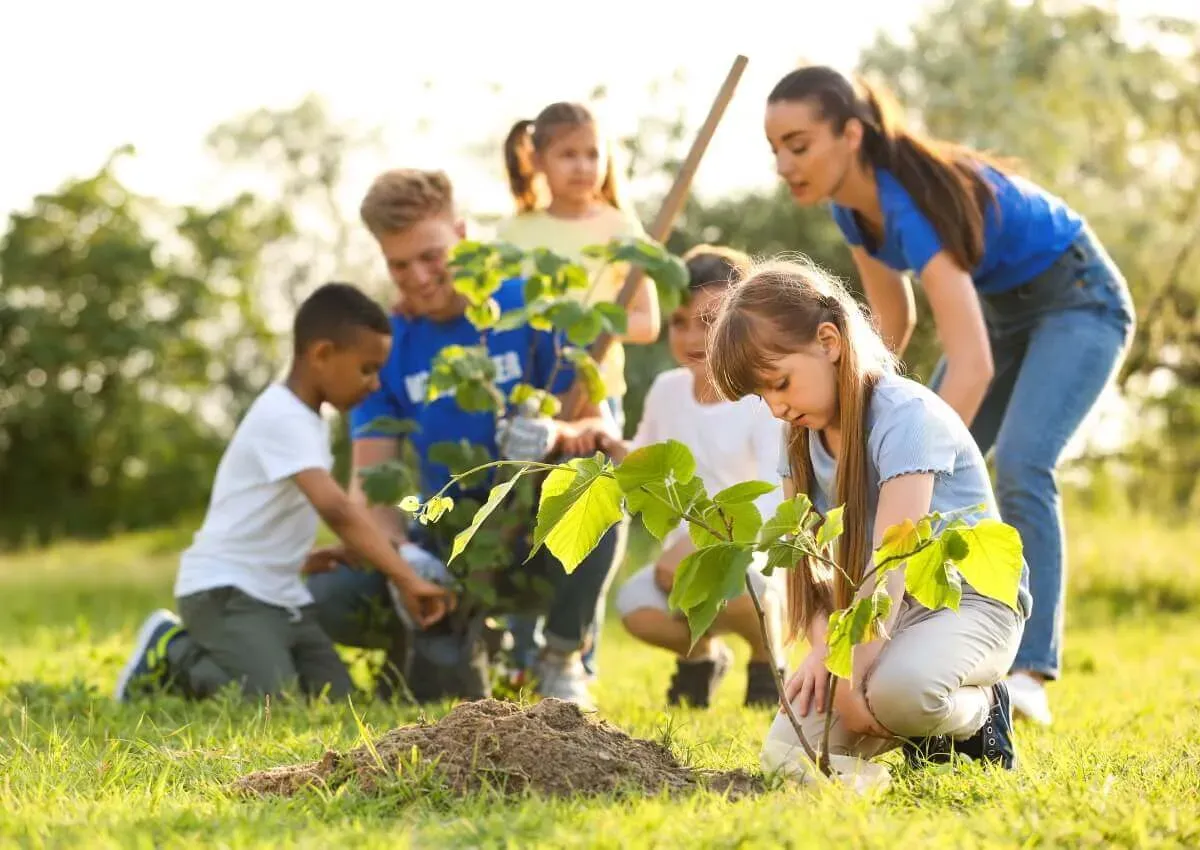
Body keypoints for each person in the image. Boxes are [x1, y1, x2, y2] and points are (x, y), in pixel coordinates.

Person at [762, 65, 1135, 725]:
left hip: (1078, 298)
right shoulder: (851, 207)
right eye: (776, 150)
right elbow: (887, 332)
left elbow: (970, 367)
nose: (785, 164)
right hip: (1006, 313)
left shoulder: (910, 198)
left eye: (799, 144)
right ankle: (923, 634)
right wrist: (860, 427)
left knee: (1022, 461)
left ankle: (1028, 672)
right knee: (917, 470)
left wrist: (898, 456)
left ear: (852, 134)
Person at [306, 168, 623, 710]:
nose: (419, 277)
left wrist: (555, 431)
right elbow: (373, 485)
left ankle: (561, 659)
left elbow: (599, 432)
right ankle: (433, 641)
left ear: (462, 234)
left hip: (531, 532)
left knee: (594, 487)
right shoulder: (388, 345)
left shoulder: (532, 306)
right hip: (445, 534)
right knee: (331, 596)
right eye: (399, 265)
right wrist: (403, 558)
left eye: (431, 256)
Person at [706, 257, 1033, 772]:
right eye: (762, 395)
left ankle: (982, 712)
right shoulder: (796, 438)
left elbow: (893, 560)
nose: (775, 408)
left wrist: (850, 673)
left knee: (898, 695)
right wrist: (826, 657)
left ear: (829, 342)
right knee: (788, 762)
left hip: (968, 600)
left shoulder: (905, 416)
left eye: (780, 383)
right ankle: (907, 738)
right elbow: (807, 572)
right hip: (876, 615)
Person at [113, 283, 455, 703]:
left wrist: (308, 558)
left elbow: (268, 515)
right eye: (367, 369)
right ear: (321, 354)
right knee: (274, 701)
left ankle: (249, 657)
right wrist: (406, 577)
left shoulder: (308, 421)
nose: (374, 384)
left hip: (278, 594)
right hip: (225, 592)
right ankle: (172, 651)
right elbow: (337, 508)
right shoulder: (282, 416)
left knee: (335, 699)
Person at [496, 101, 662, 678]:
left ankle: (571, 655)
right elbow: (498, 319)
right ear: (537, 159)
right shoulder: (518, 231)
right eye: (567, 154)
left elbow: (647, 322)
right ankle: (517, 647)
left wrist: (600, 326)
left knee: (590, 510)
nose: (583, 166)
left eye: (592, 152)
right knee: (522, 515)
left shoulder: (618, 228)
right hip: (534, 398)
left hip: (597, 399)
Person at [587, 245, 787, 708]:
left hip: (751, 552)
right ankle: (702, 657)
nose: (694, 337)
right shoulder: (667, 390)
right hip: (679, 559)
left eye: (710, 320)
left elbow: (774, 498)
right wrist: (608, 442)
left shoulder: (760, 399)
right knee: (635, 608)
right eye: (679, 322)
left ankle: (766, 658)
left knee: (741, 583)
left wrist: (702, 540)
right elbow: (644, 457)